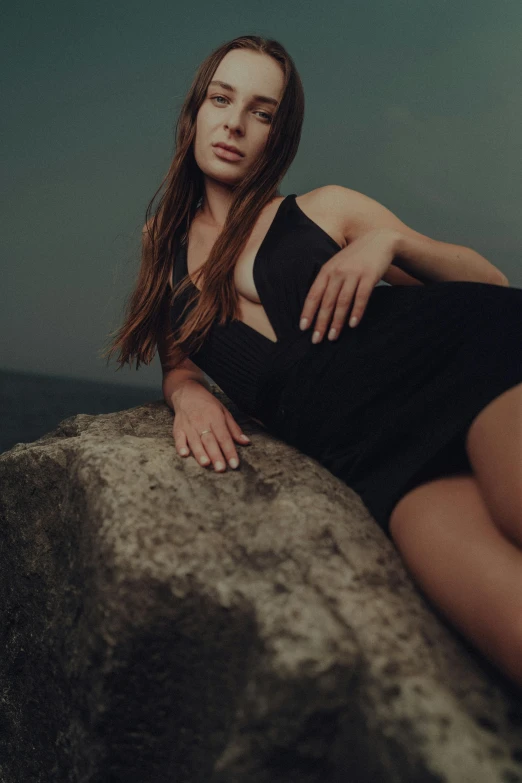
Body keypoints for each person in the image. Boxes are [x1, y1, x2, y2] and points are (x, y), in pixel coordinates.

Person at [103, 35, 522, 687]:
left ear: (278, 133)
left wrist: (391, 241)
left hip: (470, 365)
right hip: (380, 460)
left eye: (262, 112)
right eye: (222, 98)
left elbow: (492, 285)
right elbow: (179, 364)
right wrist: (188, 394)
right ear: (196, 111)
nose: (236, 123)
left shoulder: (327, 209)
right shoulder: (168, 269)